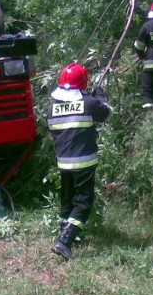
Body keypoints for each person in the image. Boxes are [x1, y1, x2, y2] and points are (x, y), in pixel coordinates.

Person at [46, 62, 112, 260]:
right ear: (83, 83)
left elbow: (53, 133)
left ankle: (70, 235)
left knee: (67, 201)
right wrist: (99, 94)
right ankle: (65, 241)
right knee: (83, 202)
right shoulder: (89, 103)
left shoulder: (52, 109)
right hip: (84, 162)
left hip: (63, 162)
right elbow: (107, 113)